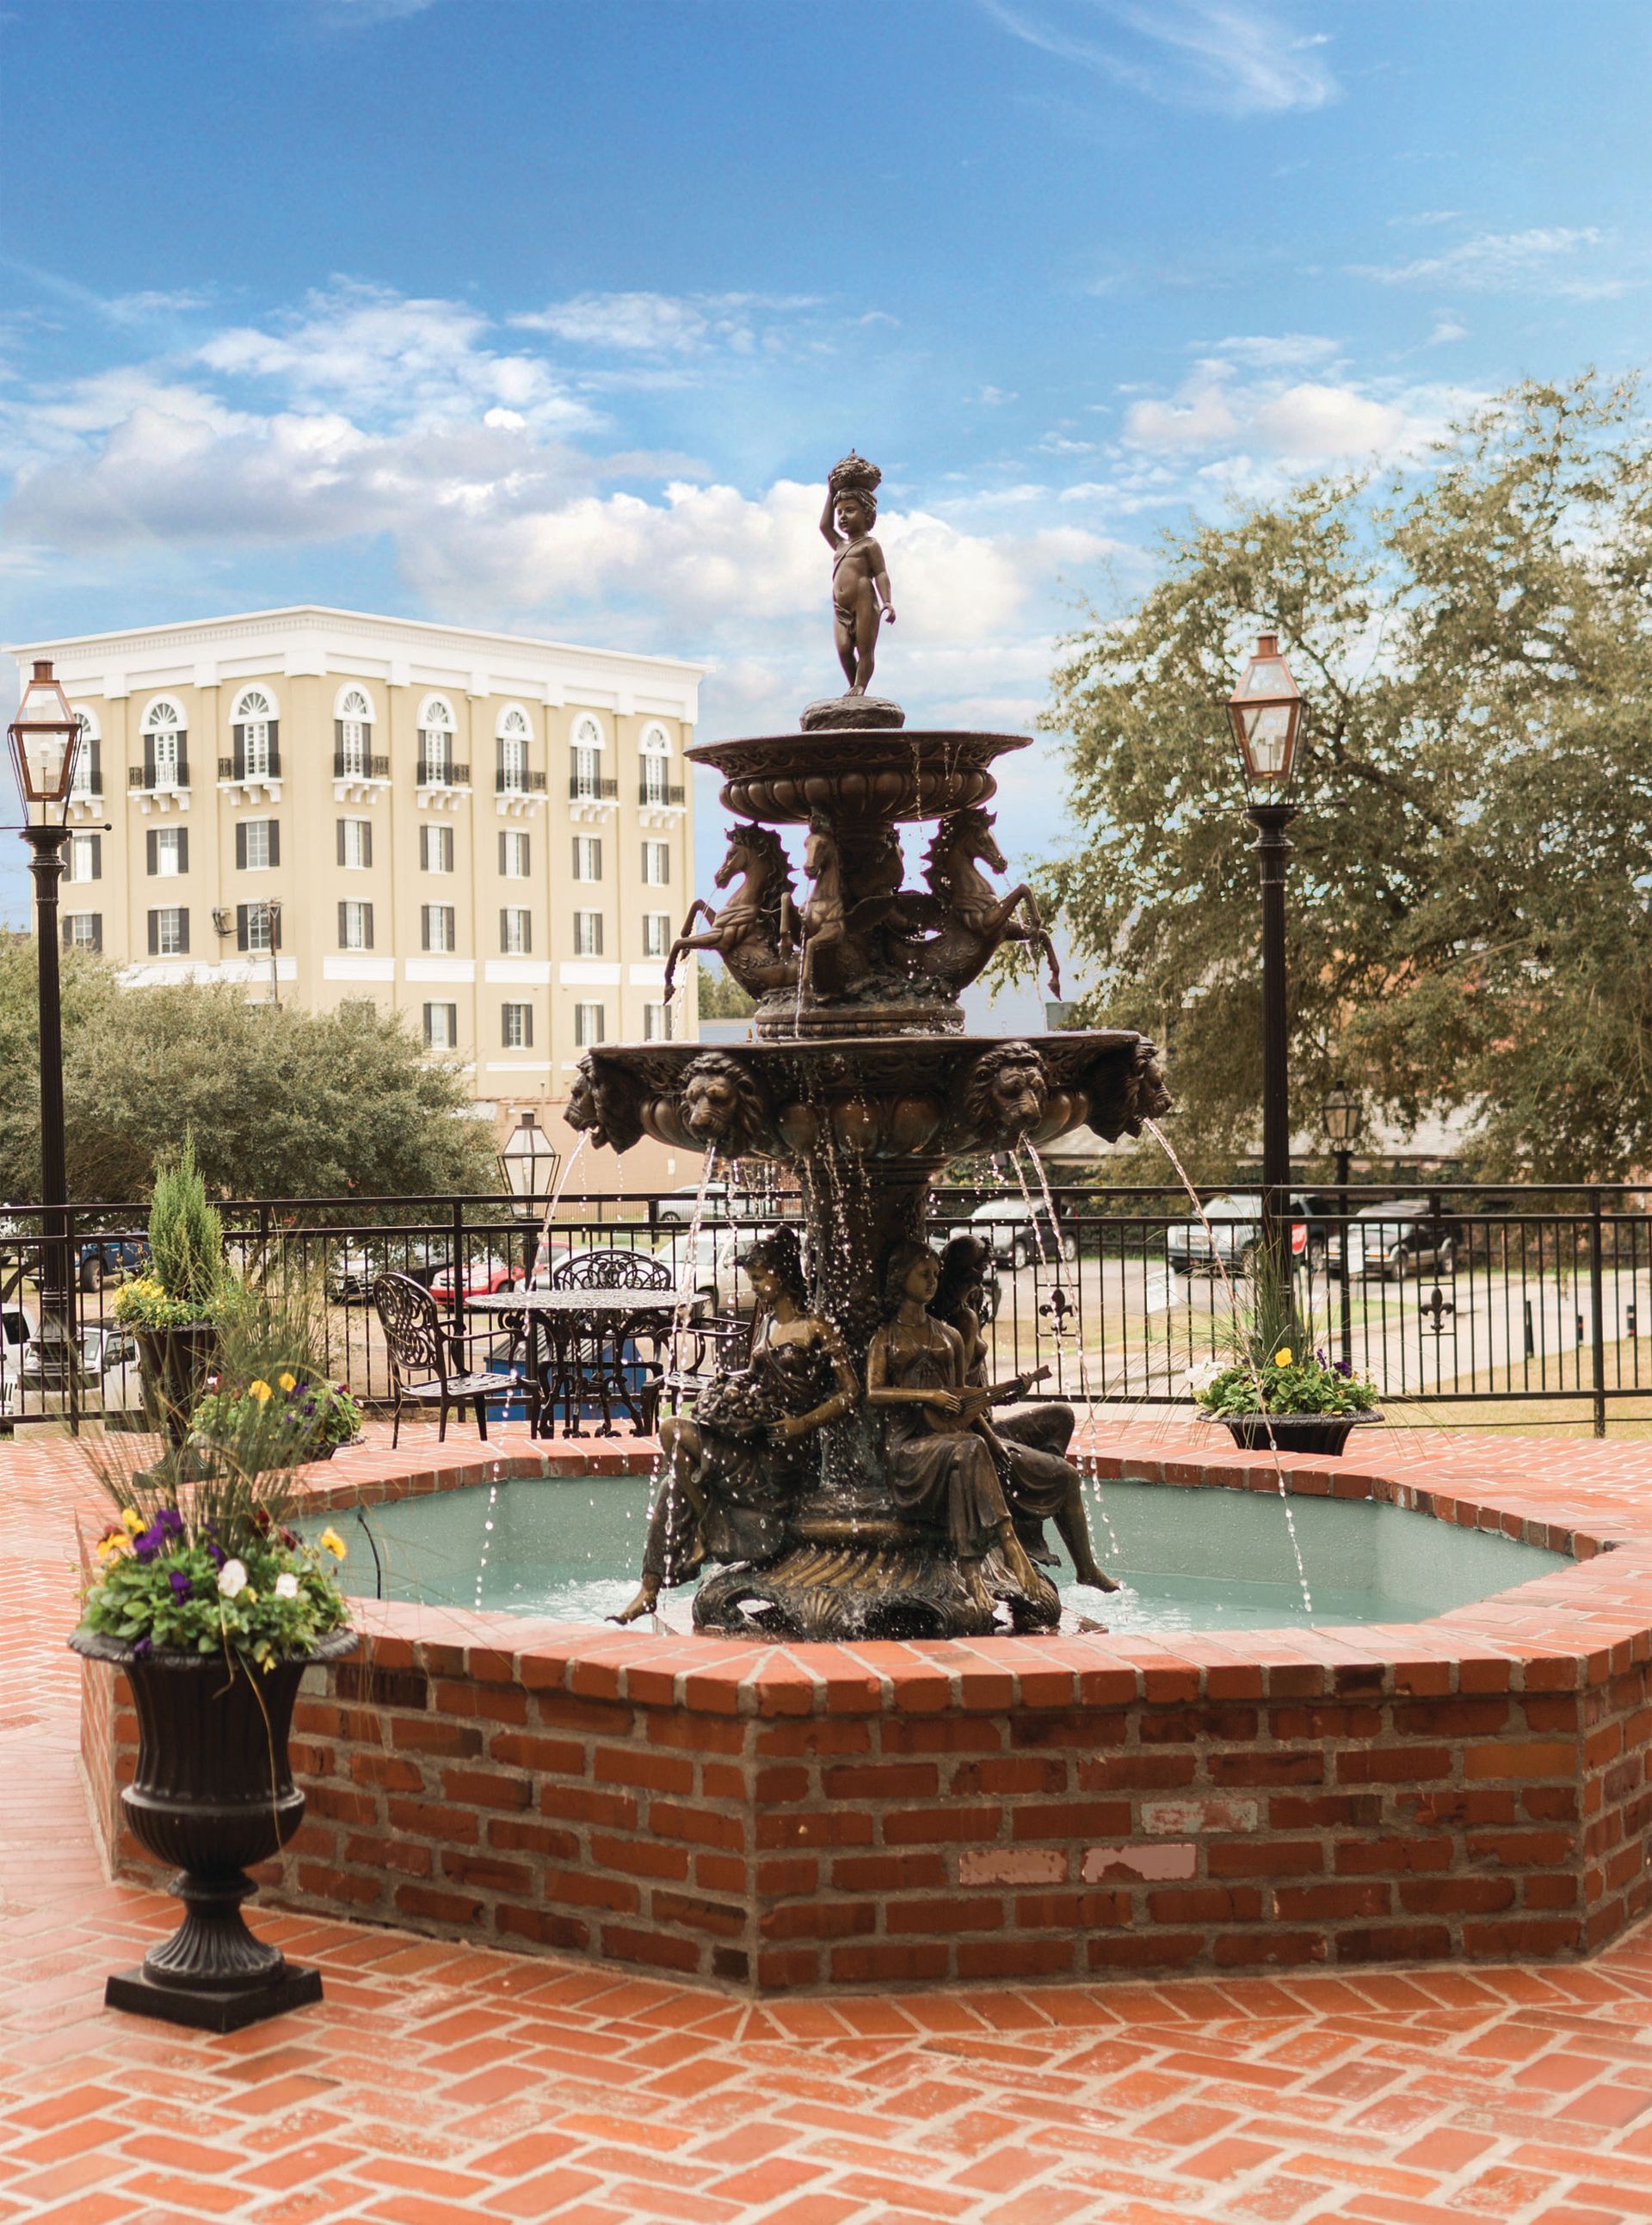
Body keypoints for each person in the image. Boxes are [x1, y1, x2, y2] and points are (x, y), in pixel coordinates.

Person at [611, 1227, 856, 1624]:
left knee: (675, 1461)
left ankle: (688, 1547)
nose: (756, 1286)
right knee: (675, 1446)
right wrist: (730, 1383)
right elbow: (760, 1379)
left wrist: (802, 1424)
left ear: (783, 1274)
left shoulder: (817, 1329)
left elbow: (850, 1393)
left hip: (787, 1455)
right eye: (752, 1279)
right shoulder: (767, 1327)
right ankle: (652, 1583)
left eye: (760, 1278)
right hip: (755, 1441)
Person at [866, 1239, 1046, 1621]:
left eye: (936, 1274)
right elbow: (873, 1392)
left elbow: (965, 1400)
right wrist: (927, 1395)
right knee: (966, 1450)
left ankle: (976, 1569)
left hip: (947, 1441)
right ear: (902, 1279)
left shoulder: (949, 1336)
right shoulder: (887, 1336)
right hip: (905, 1450)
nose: (933, 1282)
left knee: (968, 1449)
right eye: (924, 1274)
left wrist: (996, 1424)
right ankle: (1004, 1548)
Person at [930, 1233, 1118, 1592]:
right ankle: (1086, 1568)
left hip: (983, 1420)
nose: (986, 1271)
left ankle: (1030, 1525)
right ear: (963, 1273)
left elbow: (973, 1391)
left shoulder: (967, 1309)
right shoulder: (961, 1320)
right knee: (1065, 1476)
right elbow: (962, 1401)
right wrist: (995, 1437)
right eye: (980, 1266)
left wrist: (1005, 1394)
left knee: (1059, 1417)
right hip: (974, 1432)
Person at [819, 459, 896, 697]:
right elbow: (824, 526)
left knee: (864, 648)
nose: (842, 517)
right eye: (840, 512)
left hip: (863, 599)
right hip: (840, 606)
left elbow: (881, 573)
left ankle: (860, 687)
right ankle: (854, 686)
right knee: (843, 649)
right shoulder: (839, 545)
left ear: (867, 514)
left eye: (850, 510)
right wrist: (831, 494)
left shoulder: (869, 544)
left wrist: (887, 601)